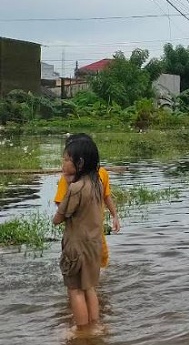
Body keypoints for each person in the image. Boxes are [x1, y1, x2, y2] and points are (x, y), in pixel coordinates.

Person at [53, 136, 105, 331]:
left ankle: (82, 331)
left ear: (80, 163)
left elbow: (58, 218)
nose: (63, 163)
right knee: (89, 288)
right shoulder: (97, 184)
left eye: (67, 159)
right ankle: (96, 326)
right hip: (94, 245)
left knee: (75, 291)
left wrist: (69, 184)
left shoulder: (76, 188)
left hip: (76, 248)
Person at [54, 133, 120, 269]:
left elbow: (106, 196)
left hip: (96, 230)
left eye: (67, 159)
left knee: (101, 261)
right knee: (77, 263)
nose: (64, 163)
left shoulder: (101, 174)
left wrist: (115, 215)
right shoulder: (67, 180)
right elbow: (60, 203)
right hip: (78, 232)